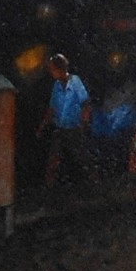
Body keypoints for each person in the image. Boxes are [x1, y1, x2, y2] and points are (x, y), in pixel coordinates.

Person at [38, 53, 91, 188]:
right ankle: (50, 190)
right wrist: (42, 126)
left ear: (60, 69)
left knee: (82, 159)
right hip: (60, 129)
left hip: (74, 129)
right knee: (54, 160)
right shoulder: (56, 85)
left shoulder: (75, 82)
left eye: (52, 69)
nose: (51, 72)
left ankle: (91, 186)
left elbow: (85, 104)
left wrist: (83, 124)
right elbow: (52, 109)